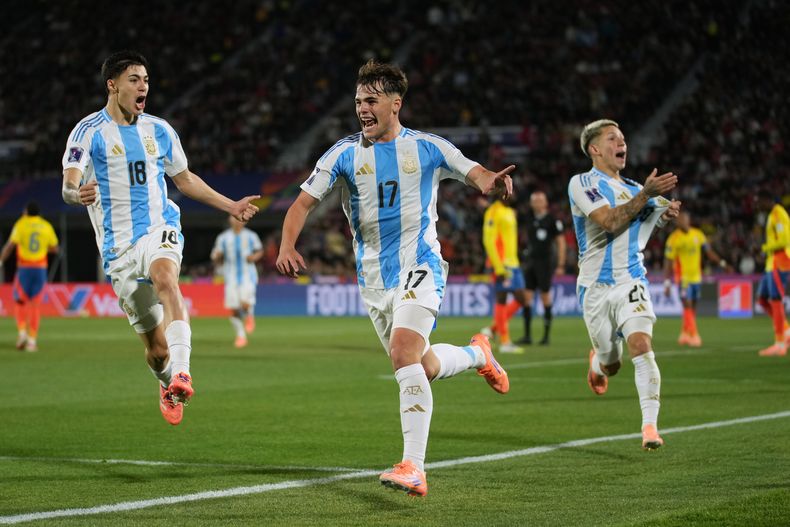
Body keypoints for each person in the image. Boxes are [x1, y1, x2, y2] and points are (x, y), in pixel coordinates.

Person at [276, 60, 513, 497]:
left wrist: (491, 183)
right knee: (419, 365)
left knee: (403, 353)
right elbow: (302, 204)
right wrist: (287, 245)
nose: (362, 110)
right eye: (357, 102)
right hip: (374, 281)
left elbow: (474, 172)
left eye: (371, 101)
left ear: (395, 103)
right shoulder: (343, 153)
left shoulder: (427, 147)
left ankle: (414, 466)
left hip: (420, 263)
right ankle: (478, 355)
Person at [61, 50, 259, 426]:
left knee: (167, 279)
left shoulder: (160, 130)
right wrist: (76, 194)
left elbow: (184, 180)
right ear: (112, 85)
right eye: (134, 79)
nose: (143, 86)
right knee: (156, 350)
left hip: (158, 227)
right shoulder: (89, 131)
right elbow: (70, 183)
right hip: (118, 249)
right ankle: (168, 380)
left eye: (146, 80)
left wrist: (230, 205)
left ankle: (183, 373)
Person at [569, 119, 680, 450]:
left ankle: (650, 427)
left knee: (641, 345)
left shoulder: (635, 188)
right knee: (612, 363)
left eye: (623, 138)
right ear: (595, 149)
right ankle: (597, 361)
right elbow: (610, 221)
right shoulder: (582, 183)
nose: (622, 143)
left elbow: (642, 228)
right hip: (595, 287)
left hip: (632, 279)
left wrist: (664, 214)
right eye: (613, 138)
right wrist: (647, 195)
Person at [0, 201, 59, 352]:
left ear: (26, 212)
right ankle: (32, 341)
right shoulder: (46, 226)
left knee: (20, 301)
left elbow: (10, 245)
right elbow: (54, 248)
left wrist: (1, 260)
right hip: (40, 269)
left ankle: (22, 333)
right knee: (35, 305)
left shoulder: (21, 224)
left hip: (24, 269)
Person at [663, 211, 728, 347]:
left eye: (682, 220)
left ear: (688, 220)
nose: (679, 222)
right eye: (678, 220)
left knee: (693, 308)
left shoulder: (698, 235)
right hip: (683, 279)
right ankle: (694, 335)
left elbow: (708, 253)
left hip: (696, 278)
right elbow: (668, 262)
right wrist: (667, 283)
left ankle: (684, 334)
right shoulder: (674, 239)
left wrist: (722, 263)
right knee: (687, 305)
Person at [481, 190, 528, 353]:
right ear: (501, 193)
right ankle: (505, 342)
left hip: (513, 263)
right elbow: (488, 240)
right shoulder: (493, 211)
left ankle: (492, 330)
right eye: (509, 191)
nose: (513, 193)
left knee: (522, 298)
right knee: (502, 299)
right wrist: (498, 266)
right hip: (501, 264)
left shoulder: (509, 211)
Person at [519, 190, 566, 346]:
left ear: (545, 203)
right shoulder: (529, 218)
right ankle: (527, 335)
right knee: (527, 298)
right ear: (531, 203)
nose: (537, 203)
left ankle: (546, 336)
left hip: (545, 263)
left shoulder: (552, 220)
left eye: (540, 200)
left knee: (545, 296)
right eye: (534, 200)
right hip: (530, 261)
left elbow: (561, 242)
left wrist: (560, 264)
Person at [211, 215, 264, 348]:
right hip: (231, 276)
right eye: (233, 218)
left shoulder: (251, 236)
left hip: (248, 275)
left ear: (244, 222)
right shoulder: (223, 238)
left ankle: (249, 315)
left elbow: (259, 251)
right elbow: (216, 256)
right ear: (230, 220)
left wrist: (254, 257)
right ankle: (241, 336)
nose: (236, 221)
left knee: (245, 303)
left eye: (239, 219)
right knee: (234, 309)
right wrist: (217, 257)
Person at [755, 191, 790, 356]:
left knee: (776, 299)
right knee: (762, 299)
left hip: (780, 261)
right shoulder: (772, 214)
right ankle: (786, 330)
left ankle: (780, 343)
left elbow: (784, 240)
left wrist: (765, 248)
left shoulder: (777, 213)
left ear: (767, 200)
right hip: (772, 263)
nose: (758, 205)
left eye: (760, 201)